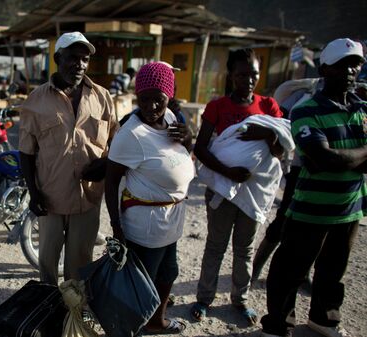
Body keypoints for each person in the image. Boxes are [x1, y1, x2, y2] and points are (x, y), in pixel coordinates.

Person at [260, 38, 366, 337]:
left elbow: (333, 159)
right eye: (341, 65)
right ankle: (279, 325)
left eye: (354, 64)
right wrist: (357, 153)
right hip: (310, 209)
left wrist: (343, 158)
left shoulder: (362, 109)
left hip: (349, 207)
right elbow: (321, 158)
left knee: (333, 271)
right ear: (324, 69)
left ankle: (324, 319)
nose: (350, 71)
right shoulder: (308, 110)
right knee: (290, 271)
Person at [191, 48, 284, 326]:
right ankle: (204, 298)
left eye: (254, 74)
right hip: (223, 187)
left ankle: (239, 299)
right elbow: (201, 148)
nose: (249, 79)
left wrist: (267, 134)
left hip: (254, 192)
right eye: (242, 74)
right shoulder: (217, 107)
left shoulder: (268, 107)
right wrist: (228, 172)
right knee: (215, 246)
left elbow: (280, 152)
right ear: (231, 76)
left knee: (244, 248)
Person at [19, 31, 119, 285]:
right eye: (73, 57)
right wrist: (33, 193)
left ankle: (76, 309)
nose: (80, 64)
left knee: (81, 260)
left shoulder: (103, 97)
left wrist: (105, 164)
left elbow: (116, 144)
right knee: (48, 260)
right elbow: (26, 152)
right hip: (50, 196)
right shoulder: (35, 101)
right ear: (57, 58)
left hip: (88, 197)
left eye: (85, 59)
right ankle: (49, 307)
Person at [105, 62, 194, 334]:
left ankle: (157, 321)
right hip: (147, 225)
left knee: (169, 273)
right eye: (144, 98)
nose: (152, 105)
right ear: (136, 97)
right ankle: (132, 328)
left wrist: (188, 138)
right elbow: (111, 182)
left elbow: (180, 154)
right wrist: (117, 227)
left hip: (172, 219)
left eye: (159, 99)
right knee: (142, 282)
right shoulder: (130, 134)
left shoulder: (170, 119)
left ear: (169, 96)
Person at [251, 78, 323, 286]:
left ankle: (304, 274)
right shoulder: (306, 95)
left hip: (327, 176)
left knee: (317, 230)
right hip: (302, 169)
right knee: (282, 223)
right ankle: (255, 269)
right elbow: (281, 122)